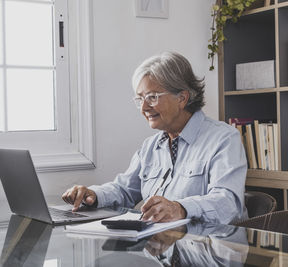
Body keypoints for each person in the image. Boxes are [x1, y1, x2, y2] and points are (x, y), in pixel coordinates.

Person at [62, 51, 247, 224]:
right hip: (162, 249)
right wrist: (93, 194)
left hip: (209, 250)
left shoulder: (224, 139)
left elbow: (228, 204)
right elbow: (124, 189)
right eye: (140, 99)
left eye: (152, 97)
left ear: (182, 98)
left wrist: (180, 208)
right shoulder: (150, 146)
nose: (144, 108)